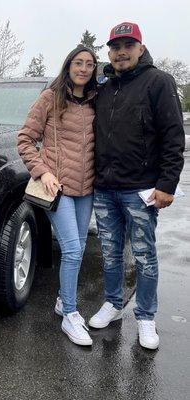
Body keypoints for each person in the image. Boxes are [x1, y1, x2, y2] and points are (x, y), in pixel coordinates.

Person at [89, 22, 185, 350]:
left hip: (140, 189)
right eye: (115, 47)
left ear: (140, 48)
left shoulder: (159, 82)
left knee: (144, 255)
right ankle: (114, 304)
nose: (121, 52)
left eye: (128, 45)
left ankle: (145, 315)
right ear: (109, 52)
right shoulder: (102, 86)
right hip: (104, 188)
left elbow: (174, 137)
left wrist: (168, 183)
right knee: (111, 253)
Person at [17, 46, 97, 346]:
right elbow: (25, 138)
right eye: (79, 62)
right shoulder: (50, 98)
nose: (84, 68)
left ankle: (64, 300)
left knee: (74, 251)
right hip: (57, 189)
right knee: (74, 250)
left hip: (86, 189)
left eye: (90, 64)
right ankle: (70, 315)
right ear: (68, 66)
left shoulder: (94, 101)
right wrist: (42, 171)